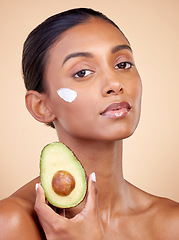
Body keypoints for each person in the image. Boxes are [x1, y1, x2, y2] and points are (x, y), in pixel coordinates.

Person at [0, 8, 178, 240]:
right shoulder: (12, 223)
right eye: (82, 72)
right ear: (41, 106)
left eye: (123, 64)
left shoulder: (171, 224)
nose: (114, 83)